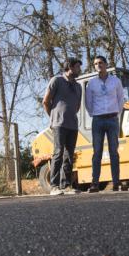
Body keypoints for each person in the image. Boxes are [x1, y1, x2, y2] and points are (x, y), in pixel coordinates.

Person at [85, 55, 126, 192]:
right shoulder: (91, 83)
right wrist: (94, 114)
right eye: (96, 64)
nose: (98, 66)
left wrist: (116, 113)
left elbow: (121, 98)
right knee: (97, 152)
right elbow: (88, 102)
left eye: (101, 63)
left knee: (114, 152)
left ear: (106, 64)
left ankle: (116, 183)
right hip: (97, 120)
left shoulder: (116, 81)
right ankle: (95, 183)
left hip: (112, 119)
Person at [42, 58, 83, 195]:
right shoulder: (57, 81)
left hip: (73, 125)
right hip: (59, 124)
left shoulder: (78, 87)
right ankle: (54, 186)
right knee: (58, 153)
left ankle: (66, 185)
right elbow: (46, 101)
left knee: (69, 156)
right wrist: (54, 118)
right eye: (77, 67)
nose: (79, 70)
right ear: (70, 67)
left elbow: (76, 107)